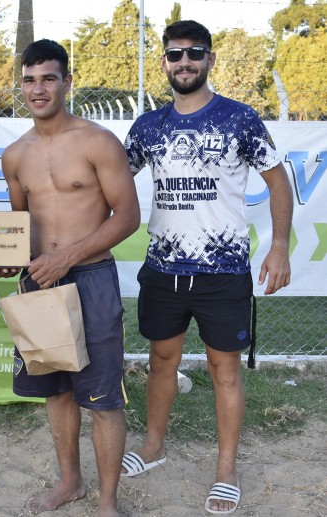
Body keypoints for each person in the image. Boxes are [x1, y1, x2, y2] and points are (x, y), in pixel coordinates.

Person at [122, 20, 293, 514]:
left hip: (223, 273)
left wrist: (279, 246)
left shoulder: (239, 119)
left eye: (195, 53)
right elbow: (105, 176)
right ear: (164, 64)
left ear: (210, 59)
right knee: (161, 362)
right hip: (164, 270)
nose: (185, 62)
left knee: (224, 370)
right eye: (175, 55)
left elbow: (279, 185)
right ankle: (152, 449)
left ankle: (225, 470)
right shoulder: (148, 127)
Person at [0, 40, 140, 516]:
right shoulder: (15, 154)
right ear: (22, 86)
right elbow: (21, 223)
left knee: (102, 397)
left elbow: (127, 217)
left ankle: (107, 502)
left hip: (91, 278)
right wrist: (9, 257)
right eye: (30, 80)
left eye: (49, 78)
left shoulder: (97, 141)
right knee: (55, 390)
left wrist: (69, 256)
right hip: (40, 283)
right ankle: (70, 482)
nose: (39, 89)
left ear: (67, 82)